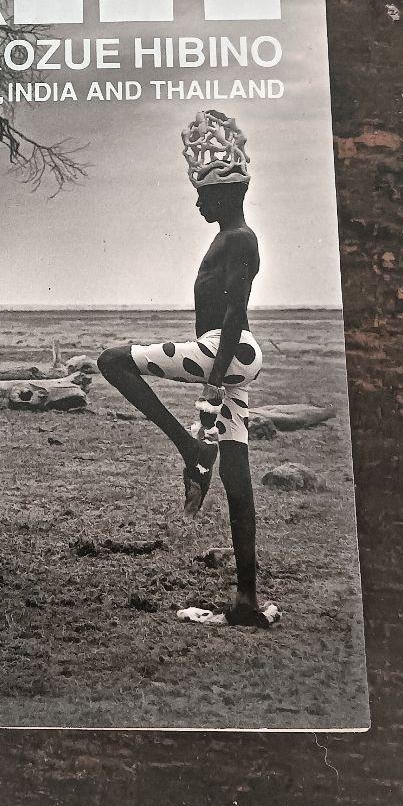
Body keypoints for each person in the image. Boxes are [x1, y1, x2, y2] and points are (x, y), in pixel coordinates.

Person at [97, 110, 279, 628]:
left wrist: (213, 381)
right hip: (230, 354)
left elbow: (235, 313)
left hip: (225, 350)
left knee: (112, 361)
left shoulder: (238, 239)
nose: (198, 203)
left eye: (203, 195)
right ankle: (246, 600)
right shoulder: (231, 237)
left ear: (223, 195)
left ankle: (191, 449)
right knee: (237, 477)